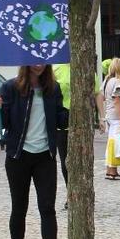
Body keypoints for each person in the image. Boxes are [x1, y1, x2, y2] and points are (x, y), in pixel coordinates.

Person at [0, 64, 69, 239]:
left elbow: (61, 117)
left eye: (43, 60)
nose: (39, 64)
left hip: (45, 156)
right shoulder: (10, 88)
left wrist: (77, 111)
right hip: (18, 156)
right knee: (19, 207)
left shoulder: (53, 89)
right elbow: (1, 124)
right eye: (34, 59)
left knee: (48, 207)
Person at [103, 58, 120, 181]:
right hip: (117, 116)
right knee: (115, 144)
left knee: (111, 143)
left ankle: (110, 169)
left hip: (110, 115)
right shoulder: (118, 82)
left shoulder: (107, 81)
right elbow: (117, 100)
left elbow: (101, 96)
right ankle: (113, 170)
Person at [52, 64, 71, 192]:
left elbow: (96, 93)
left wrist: (101, 117)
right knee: (65, 159)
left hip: (81, 121)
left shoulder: (85, 67)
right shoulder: (56, 68)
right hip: (62, 123)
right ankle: (70, 191)